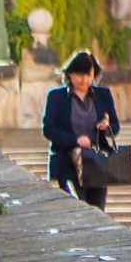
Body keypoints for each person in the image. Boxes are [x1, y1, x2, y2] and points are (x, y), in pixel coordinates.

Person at [41, 49, 120, 211]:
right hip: (68, 162)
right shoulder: (56, 97)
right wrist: (75, 139)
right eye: (79, 74)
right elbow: (49, 129)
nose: (84, 80)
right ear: (70, 74)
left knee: (98, 210)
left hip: (96, 162)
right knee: (76, 209)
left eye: (88, 75)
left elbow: (115, 127)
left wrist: (106, 127)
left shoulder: (103, 95)